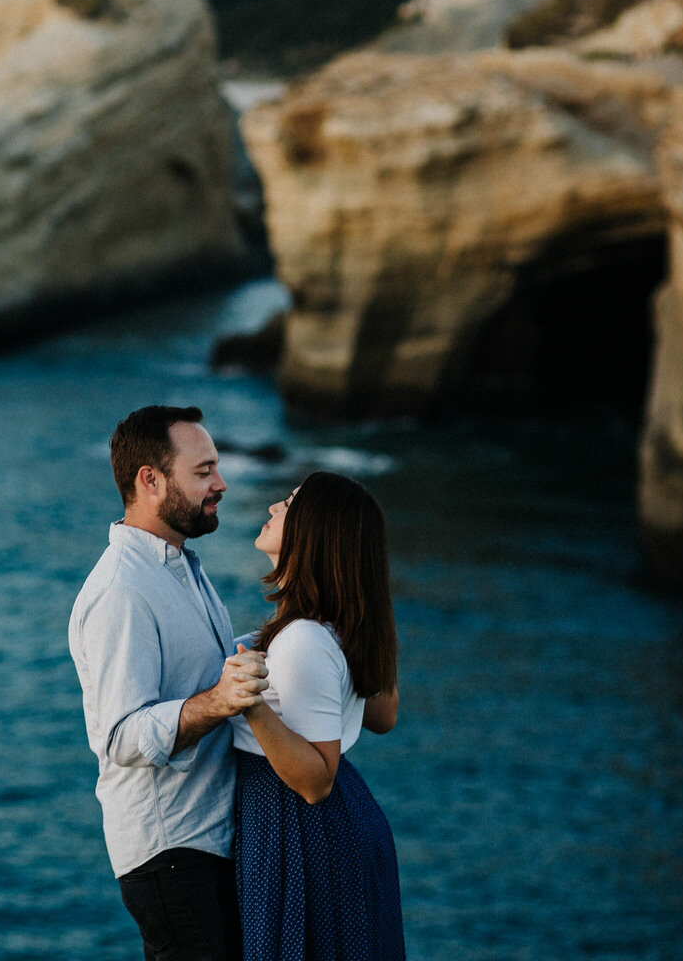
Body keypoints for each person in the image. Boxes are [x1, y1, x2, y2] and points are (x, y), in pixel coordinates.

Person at [69, 405, 269, 961]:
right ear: (150, 481)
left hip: (208, 843)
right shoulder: (121, 589)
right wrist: (218, 703)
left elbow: (210, 673)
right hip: (172, 852)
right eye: (204, 472)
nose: (221, 484)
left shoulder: (183, 568)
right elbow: (120, 736)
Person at [231, 471, 404, 961]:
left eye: (288, 504)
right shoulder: (332, 629)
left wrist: (250, 703)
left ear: (315, 533)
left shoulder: (304, 639)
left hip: (297, 823)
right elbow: (384, 715)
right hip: (337, 822)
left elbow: (315, 780)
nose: (272, 508)